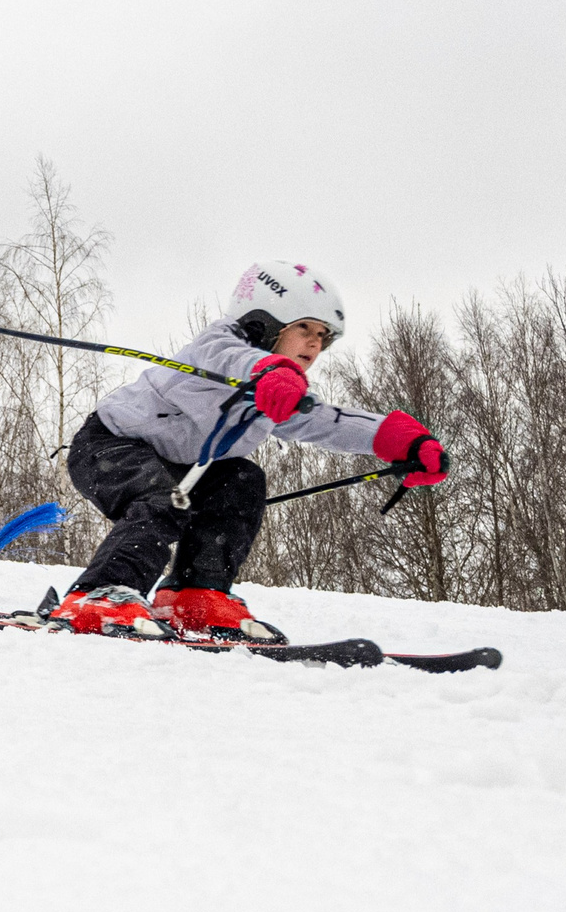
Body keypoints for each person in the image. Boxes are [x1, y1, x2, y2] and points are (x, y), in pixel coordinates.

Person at [46, 260, 449, 640]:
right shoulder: (221, 343)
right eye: (304, 327)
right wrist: (271, 371)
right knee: (162, 498)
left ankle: (194, 595)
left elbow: (325, 421)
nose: (314, 343)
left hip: (186, 467)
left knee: (242, 479)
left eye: (322, 337)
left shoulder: (275, 392)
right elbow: (234, 359)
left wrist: (397, 440)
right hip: (109, 446)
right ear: (266, 322)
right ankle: (101, 595)